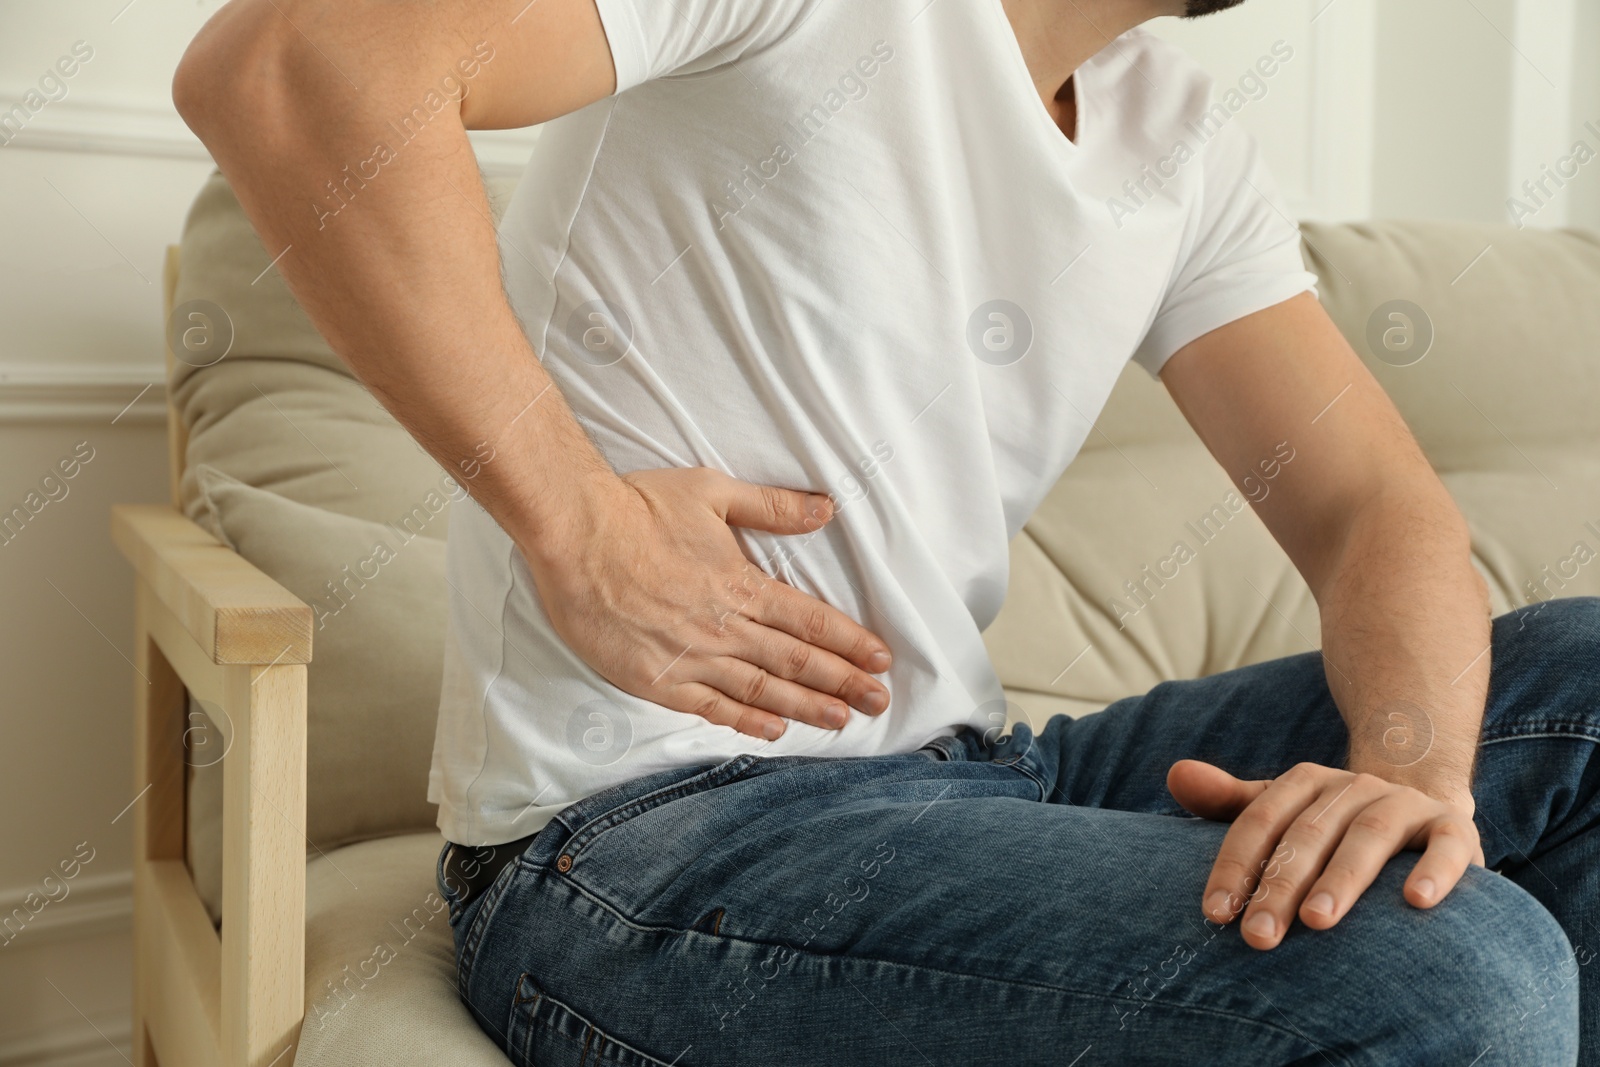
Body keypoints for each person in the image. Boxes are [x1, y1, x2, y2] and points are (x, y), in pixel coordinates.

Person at [174, 0, 1596, 1061]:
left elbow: (1374, 510)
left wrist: (1416, 775)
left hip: (981, 783)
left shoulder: (1178, 133)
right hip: (649, 843)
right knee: (1463, 977)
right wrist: (575, 518)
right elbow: (295, 71)